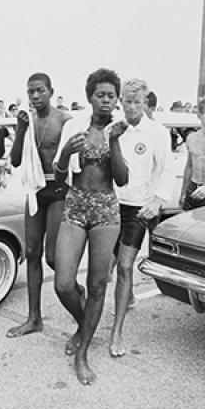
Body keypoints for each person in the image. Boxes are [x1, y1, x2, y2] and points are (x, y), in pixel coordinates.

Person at [53, 68, 128, 385]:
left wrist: (114, 143)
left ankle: (83, 351)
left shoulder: (120, 129)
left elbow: (122, 179)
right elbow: (58, 175)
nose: (106, 100)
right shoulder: (74, 125)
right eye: (101, 95)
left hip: (106, 210)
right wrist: (66, 153)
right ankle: (85, 325)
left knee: (98, 285)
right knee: (63, 283)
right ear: (90, 97)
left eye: (112, 95)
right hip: (76, 204)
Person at [5, 72, 72, 338]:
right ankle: (34, 318)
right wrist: (20, 131)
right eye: (30, 91)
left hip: (57, 190)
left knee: (54, 257)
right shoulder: (27, 121)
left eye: (40, 91)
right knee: (32, 253)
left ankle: (75, 290)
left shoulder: (64, 120)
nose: (35, 96)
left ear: (50, 91)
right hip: (35, 190)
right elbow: (15, 161)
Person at [109, 78, 170, 358]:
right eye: (127, 102)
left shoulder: (158, 132)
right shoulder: (115, 130)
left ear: (145, 103)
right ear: (121, 102)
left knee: (124, 267)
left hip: (139, 209)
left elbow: (167, 170)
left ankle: (117, 331)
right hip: (112, 206)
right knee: (104, 268)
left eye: (137, 102)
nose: (132, 107)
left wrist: (157, 201)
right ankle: (128, 296)